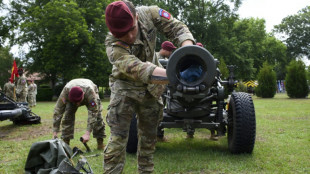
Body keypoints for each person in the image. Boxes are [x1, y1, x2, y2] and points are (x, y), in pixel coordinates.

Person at [104, 1, 195, 173]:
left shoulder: (151, 13)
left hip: (151, 90)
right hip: (125, 90)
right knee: (117, 141)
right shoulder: (112, 43)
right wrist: (176, 76)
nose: (130, 37)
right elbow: (138, 69)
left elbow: (178, 29)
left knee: (148, 141)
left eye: (132, 29)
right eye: (123, 34)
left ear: (136, 17)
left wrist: (188, 52)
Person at [52, 78, 106, 150]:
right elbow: (58, 111)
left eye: (78, 102)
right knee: (67, 118)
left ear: (83, 94)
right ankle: (66, 144)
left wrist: (87, 133)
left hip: (89, 91)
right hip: (72, 97)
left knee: (98, 118)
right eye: (75, 102)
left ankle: (100, 143)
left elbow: (93, 112)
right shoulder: (65, 93)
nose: (77, 104)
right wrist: (55, 132)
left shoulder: (90, 93)